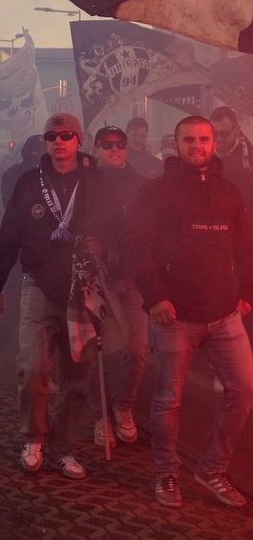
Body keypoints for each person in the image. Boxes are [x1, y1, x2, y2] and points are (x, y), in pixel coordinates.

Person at [127, 115, 253, 508]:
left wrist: (247, 290)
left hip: (225, 315)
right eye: (189, 139)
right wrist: (155, 298)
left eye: (204, 139)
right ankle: (166, 474)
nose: (197, 145)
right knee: (169, 400)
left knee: (244, 389)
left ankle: (212, 469)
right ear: (175, 144)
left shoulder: (230, 191)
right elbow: (137, 247)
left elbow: (244, 245)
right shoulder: (155, 191)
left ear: (214, 144)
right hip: (176, 316)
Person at [0, 113, 98, 480]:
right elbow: (8, 236)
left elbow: (114, 226)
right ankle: (34, 438)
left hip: (82, 289)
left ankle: (63, 449)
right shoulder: (28, 182)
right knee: (33, 367)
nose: (59, 141)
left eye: (66, 135)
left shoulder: (96, 181)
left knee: (76, 377)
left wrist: (105, 248)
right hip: (38, 283)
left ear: (78, 140)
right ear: (46, 142)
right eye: (52, 135)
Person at [85, 126, 149, 449]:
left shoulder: (141, 184)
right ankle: (100, 415)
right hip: (95, 278)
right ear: (95, 149)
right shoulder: (84, 184)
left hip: (130, 278)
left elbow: (150, 229)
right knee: (97, 352)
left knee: (138, 349)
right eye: (107, 145)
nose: (115, 149)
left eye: (120, 144)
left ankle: (123, 406)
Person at [0, 134, 45, 371]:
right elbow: (14, 211)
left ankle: (42, 366)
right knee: (12, 303)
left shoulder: (55, 175)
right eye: (39, 151)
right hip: (23, 250)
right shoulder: (13, 176)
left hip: (50, 252)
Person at [210, 106, 253, 212]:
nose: (219, 139)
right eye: (214, 134)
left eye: (224, 133)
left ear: (237, 130)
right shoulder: (201, 158)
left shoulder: (250, 159)